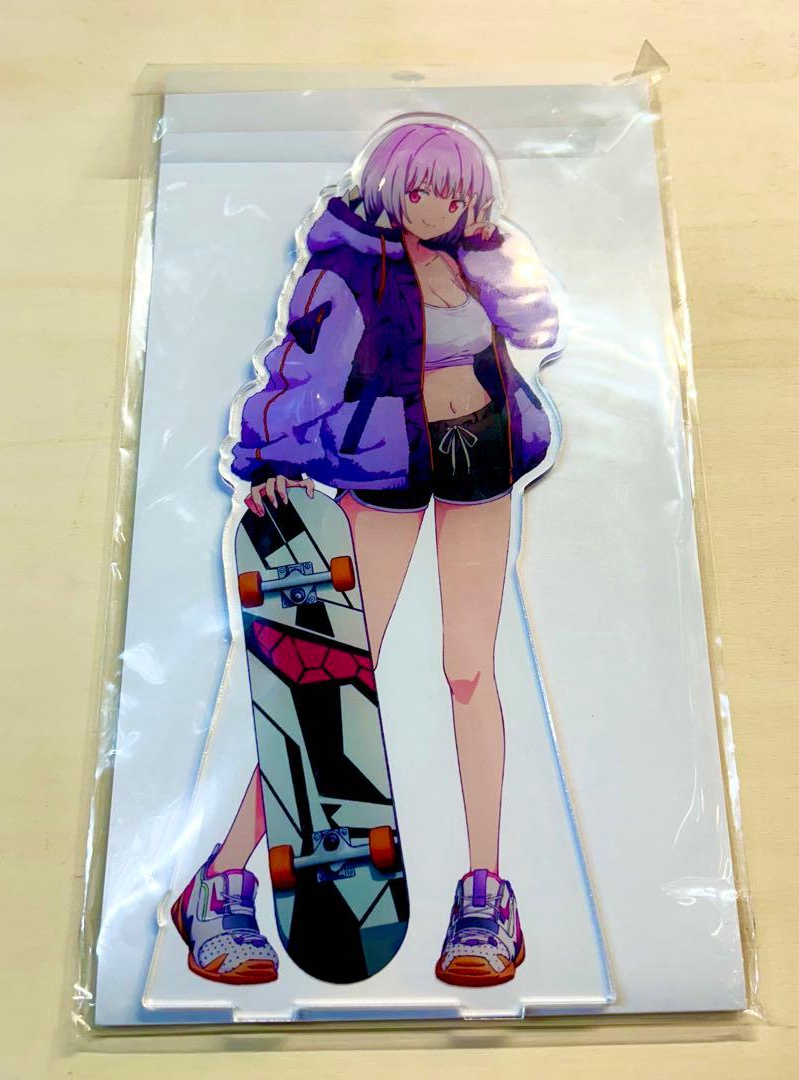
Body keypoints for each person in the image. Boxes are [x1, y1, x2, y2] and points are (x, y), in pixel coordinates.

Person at [173, 118, 559, 988]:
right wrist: (266, 458)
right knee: (333, 678)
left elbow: (540, 326)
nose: (438, 208)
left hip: (484, 456)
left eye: (456, 194)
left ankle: (486, 894)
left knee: (471, 670)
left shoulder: (476, 259)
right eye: (422, 190)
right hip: (384, 465)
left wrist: (501, 259)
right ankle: (220, 882)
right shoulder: (349, 265)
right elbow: (301, 366)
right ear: (391, 186)